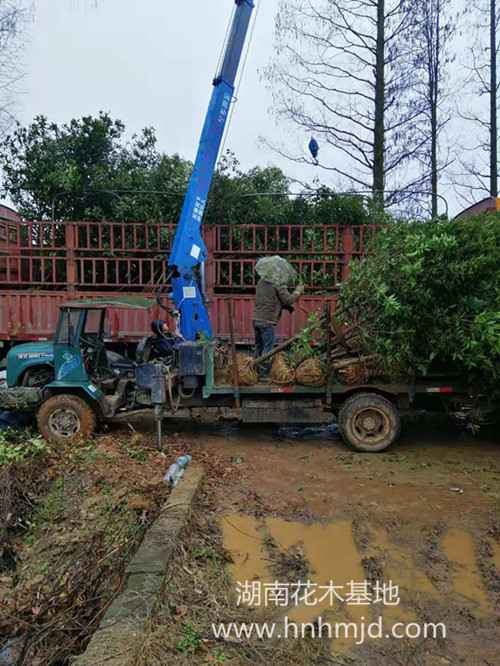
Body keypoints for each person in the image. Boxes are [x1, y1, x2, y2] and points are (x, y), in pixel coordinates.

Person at [253, 278, 304, 379]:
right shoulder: (278, 282)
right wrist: (298, 290)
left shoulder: (260, 281)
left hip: (256, 318)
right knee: (268, 349)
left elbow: (269, 299)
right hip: (267, 321)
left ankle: (254, 372)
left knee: (259, 347)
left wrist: (285, 307)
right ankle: (263, 375)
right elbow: (288, 300)